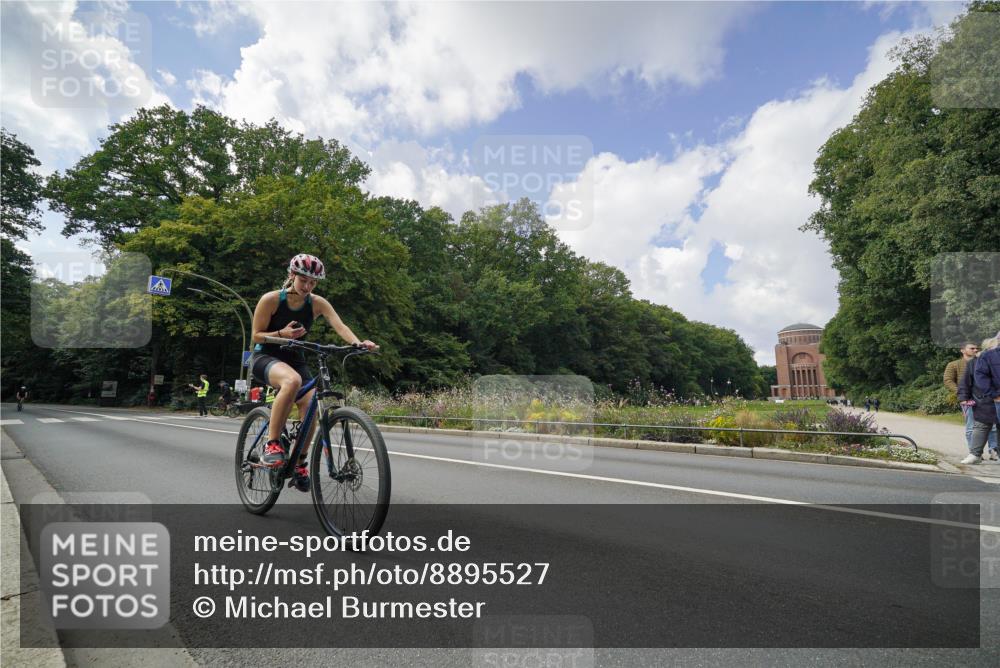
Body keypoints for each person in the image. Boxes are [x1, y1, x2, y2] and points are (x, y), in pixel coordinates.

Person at [249, 253, 377, 493]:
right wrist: (282, 335)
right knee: (292, 381)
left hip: (295, 358)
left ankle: (300, 463)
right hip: (266, 356)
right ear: (292, 275)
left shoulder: (317, 303)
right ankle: (272, 443)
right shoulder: (271, 300)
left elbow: (340, 326)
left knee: (311, 405)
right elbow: (256, 335)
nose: (307, 286)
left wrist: (359, 343)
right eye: (303, 280)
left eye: (313, 282)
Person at [961, 337, 1000, 464]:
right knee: (978, 426)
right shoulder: (974, 362)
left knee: (993, 428)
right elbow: (965, 381)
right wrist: (963, 398)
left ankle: (994, 452)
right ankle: (975, 454)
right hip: (981, 399)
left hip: (991, 397)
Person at [945, 342, 981, 450]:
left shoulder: (982, 363)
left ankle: (993, 451)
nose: (975, 350)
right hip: (967, 398)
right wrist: (961, 392)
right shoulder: (953, 364)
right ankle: (973, 451)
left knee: (991, 425)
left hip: (984, 397)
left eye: (976, 348)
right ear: (962, 350)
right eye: (972, 348)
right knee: (971, 425)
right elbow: (948, 380)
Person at [974, 333, 1000, 460]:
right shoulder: (987, 357)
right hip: (994, 399)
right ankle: (976, 453)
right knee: (985, 426)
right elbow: (979, 377)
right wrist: (994, 394)